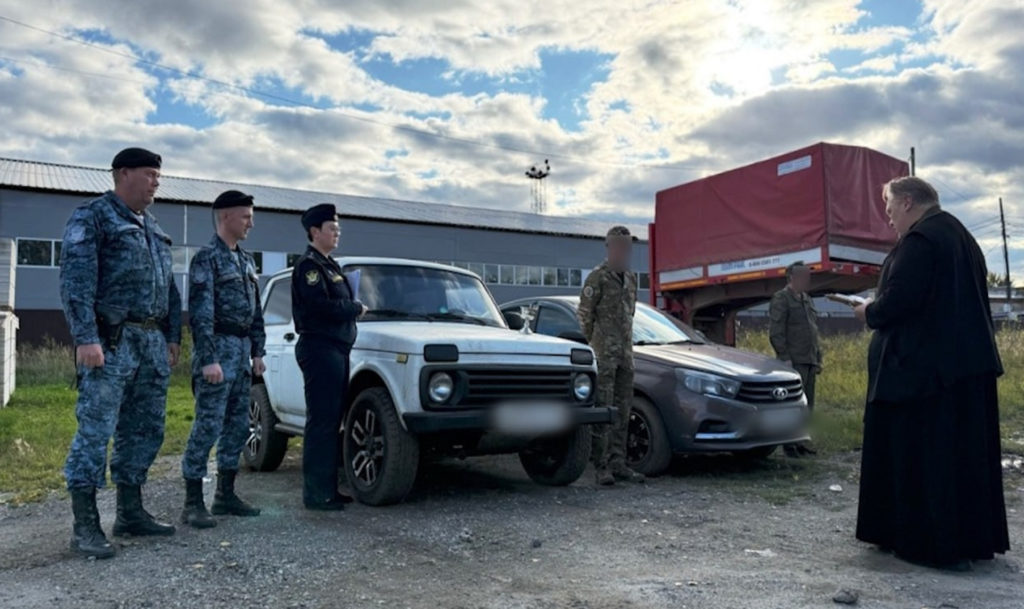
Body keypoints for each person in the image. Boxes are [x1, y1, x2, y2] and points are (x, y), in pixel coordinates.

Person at [852, 176, 1009, 570]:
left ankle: (926, 543)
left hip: (923, 378)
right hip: (962, 371)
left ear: (908, 202)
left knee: (924, 459)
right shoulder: (962, 238)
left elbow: (900, 301)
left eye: (890, 207)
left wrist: (869, 311)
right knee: (961, 460)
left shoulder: (921, 241)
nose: (889, 217)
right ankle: (966, 541)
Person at [59, 147, 182, 559]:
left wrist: (172, 335)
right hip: (111, 340)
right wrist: (85, 337)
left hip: (151, 341)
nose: (156, 182)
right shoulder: (93, 217)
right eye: (149, 174)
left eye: (158, 176)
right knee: (96, 430)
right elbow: (75, 281)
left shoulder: (153, 226)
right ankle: (85, 526)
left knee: (146, 429)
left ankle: (130, 512)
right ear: (123, 173)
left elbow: (169, 286)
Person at [180, 190, 266, 528]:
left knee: (238, 426)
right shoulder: (207, 259)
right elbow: (201, 315)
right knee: (207, 426)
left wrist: (257, 351)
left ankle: (225, 495)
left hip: (241, 354)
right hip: (217, 353)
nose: (250, 224)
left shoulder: (246, 260)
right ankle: (192, 503)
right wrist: (208, 359)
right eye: (246, 217)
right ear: (226, 216)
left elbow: (255, 312)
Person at [291, 204, 367, 510]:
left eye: (338, 228)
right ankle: (315, 494)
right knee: (322, 422)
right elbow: (319, 306)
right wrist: (355, 308)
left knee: (333, 420)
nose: (337, 233)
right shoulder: (310, 267)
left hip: (336, 349)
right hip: (320, 348)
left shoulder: (330, 265)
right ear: (314, 231)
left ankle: (328, 489)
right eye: (331, 228)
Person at [578, 226, 645, 486]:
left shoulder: (630, 278)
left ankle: (619, 462)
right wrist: (594, 345)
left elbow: (631, 313)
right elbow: (585, 315)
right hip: (604, 355)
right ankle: (602, 466)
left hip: (625, 356)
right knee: (604, 410)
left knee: (623, 410)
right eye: (619, 246)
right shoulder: (598, 277)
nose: (624, 252)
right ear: (609, 248)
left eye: (627, 247)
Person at [768, 261, 821, 457]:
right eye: (803, 276)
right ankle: (789, 444)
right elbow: (776, 332)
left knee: (808, 404)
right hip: (794, 360)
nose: (807, 280)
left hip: (809, 359)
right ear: (792, 277)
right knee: (793, 404)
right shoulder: (782, 298)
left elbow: (813, 330)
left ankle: (802, 440)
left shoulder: (807, 299)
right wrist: (784, 357)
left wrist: (818, 358)